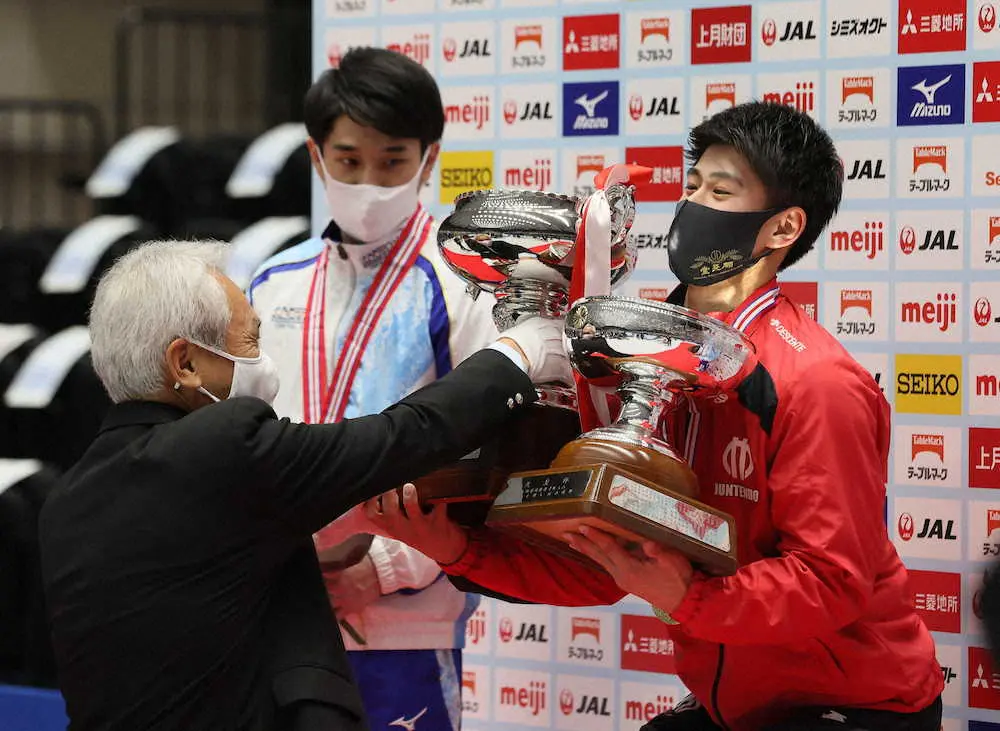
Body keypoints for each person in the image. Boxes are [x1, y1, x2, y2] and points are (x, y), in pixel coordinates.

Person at [358, 102, 946, 731]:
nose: (692, 205)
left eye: (720, 191)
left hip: (853, 708)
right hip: (734, 706)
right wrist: (452, 546)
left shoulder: (817, 382)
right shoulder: (633, 356)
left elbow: (832, 582)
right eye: (691, 186)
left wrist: (686, 596)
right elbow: (602, 571)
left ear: (782, 229)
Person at [37, 240, 567, 731]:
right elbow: (401, 437)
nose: (262, 362)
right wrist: (517, 357)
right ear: (187, 362)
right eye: (249, 340)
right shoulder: (221, 447)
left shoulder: (64, 502)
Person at [246, 46, 498, 731]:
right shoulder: (272, 283)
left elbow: (491, 459)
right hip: (282, 609)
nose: (369, 181)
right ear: (316, 156)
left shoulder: (463, 285)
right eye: (349, 160)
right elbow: (237, 443)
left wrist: (384, 568)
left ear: (430, 157)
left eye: (392, 161)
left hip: (405, 620)